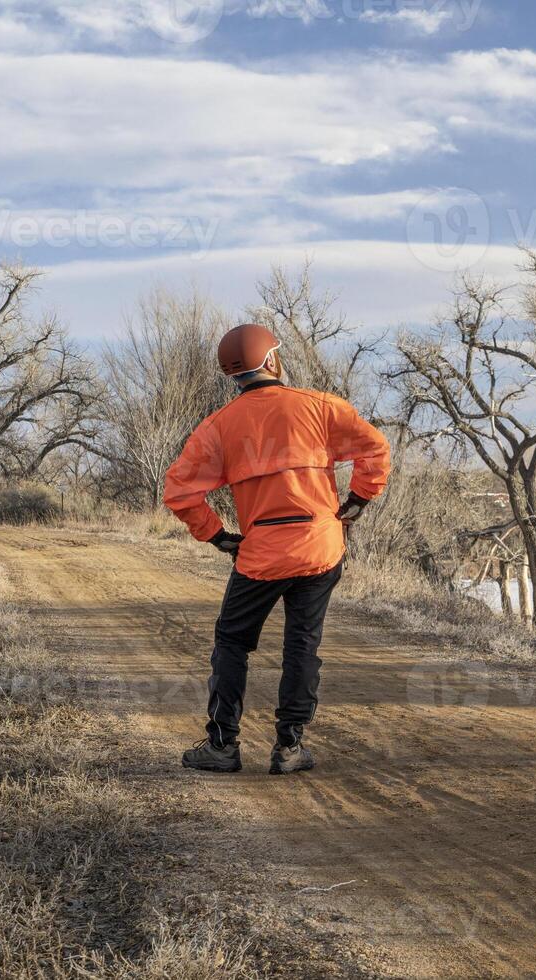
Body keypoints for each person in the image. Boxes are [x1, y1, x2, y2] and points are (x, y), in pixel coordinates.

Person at [165, 323, 390, 775]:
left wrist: (217, 535)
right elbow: (376, 449)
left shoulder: (218, 427)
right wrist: (358, 500)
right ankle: (289, 747)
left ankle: (223, 745)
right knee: (302, 644)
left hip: (261, 554)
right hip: (320, 548)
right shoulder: (320, 408)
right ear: (272, 361)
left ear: (233, 375)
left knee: (232, 642)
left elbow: (179, 491)